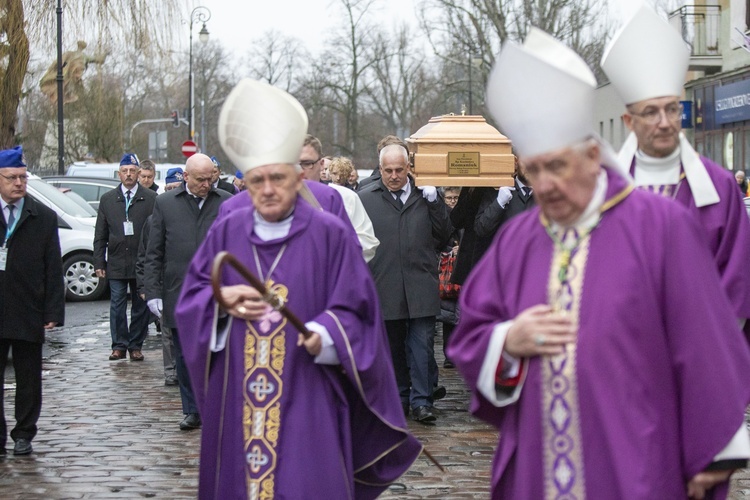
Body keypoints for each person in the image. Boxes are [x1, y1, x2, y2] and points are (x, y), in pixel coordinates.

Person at [448, 28, 750, 499]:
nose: (545, 185)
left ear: (592, 156)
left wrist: (713, 447)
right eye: (534, 169)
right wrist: (507, 340)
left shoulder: (661, 227)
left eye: (558, 166)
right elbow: (469, 335)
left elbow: (707, 341)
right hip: (538, 458)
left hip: (637, 456)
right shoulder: (516, 240)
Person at [175, 78, 421, 499]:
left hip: (309, 390)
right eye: (256, 180)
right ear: (245, 182)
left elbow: (359, 309)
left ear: (297, 176)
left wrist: (326, 334)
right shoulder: (227, 228)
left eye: (277, 178)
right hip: (239, 394)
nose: (268, 190)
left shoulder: (329, 233)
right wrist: (219, 302)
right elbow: (192, 299)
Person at [601, 4, 750, 333]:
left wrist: (704, 344)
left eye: (672, 108)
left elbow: (738, 279)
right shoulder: (603, 190)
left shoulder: (719, 186)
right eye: (652, 112)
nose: (666, 122)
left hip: (704, 350)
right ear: (629, 121)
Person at [359, 142, 450, 423]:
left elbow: (446, 235)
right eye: (388, 170)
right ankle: (399, 396)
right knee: (394, 346)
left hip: (420, 283)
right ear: (380, 169)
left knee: (422, 346)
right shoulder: (365, 198)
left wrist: (435, 202)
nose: (394, 176)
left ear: (409, 168)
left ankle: (422, 400)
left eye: (400, 170)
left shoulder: (426, 196)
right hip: (384, 283)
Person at [143, 153, 232, 430]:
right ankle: (192, 409)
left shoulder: (226, 202)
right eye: (201, 179)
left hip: (219, 291)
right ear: (186, 177)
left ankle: (217, 408)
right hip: (178, 290)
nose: (207, 184)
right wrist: (152, 291)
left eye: (211, 178)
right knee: (183, 354)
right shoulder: (166, 203)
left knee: (218, 352)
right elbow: (154, 251)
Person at [218, 134, 380, 263]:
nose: (298, 171)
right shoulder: (235, 207)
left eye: (306, 163)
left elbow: (362, 247)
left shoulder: (336, 198)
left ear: (321, 163)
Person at [0, 146, 64, 456]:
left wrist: (53, 309)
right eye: (12, 177)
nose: (19, 183)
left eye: (23, 177)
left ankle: (24, 432)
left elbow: (53, 266)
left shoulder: (42, 216)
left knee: (28, 379)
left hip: (28, 308)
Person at [94, 153, 156, 361]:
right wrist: (98, 261)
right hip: (117, 261)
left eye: (132, 171)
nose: (128, 175)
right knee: (117, 305)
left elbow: (156, 233)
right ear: (118, 174)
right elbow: (100, 234)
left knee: (141, 306)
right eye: (124, 171)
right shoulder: (108, 200)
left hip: (141, 263)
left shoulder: (151, 199)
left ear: (139, 173)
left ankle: (136, 345)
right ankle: (119, 344)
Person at [438, 186, 461, 368]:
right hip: (447, 268)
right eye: (449, 198)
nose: (452, 201)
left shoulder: (464, 215)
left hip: (461, 268)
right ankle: (449, 354)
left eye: (455, 198)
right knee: (449, 315)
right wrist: (449, 250)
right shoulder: (442, 217)